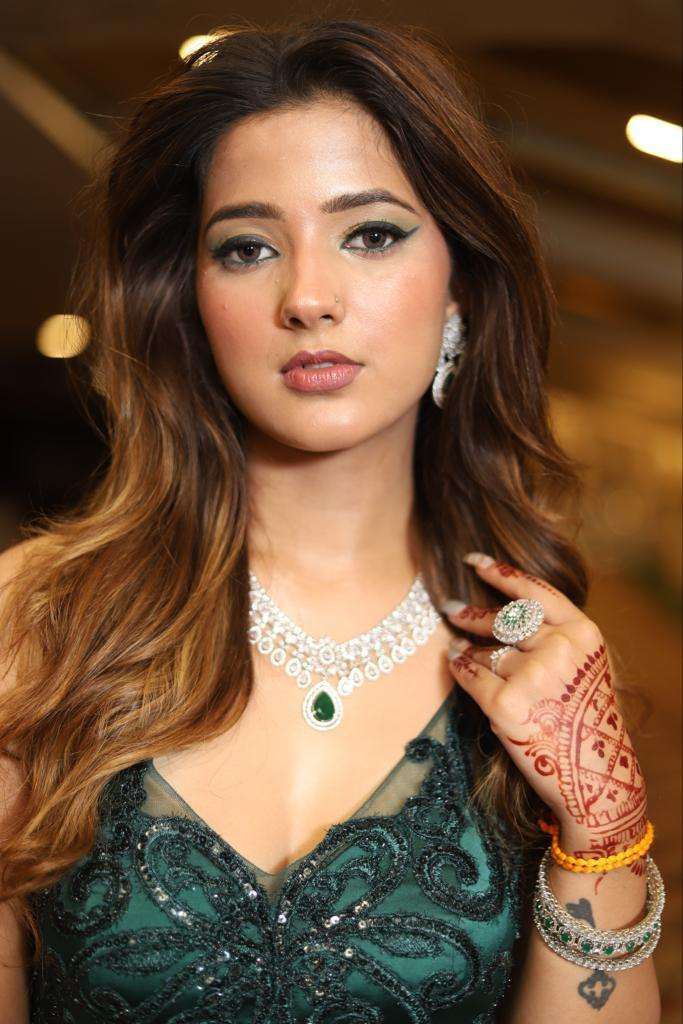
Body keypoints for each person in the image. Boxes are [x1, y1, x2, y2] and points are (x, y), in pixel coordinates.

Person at [0, 16, 663, 1023]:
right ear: (192, 303)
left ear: (461, 290)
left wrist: (601, 831)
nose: (307, 296)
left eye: (371, 234)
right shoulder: (38, 625)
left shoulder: (539, 666)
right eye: (247, 247)